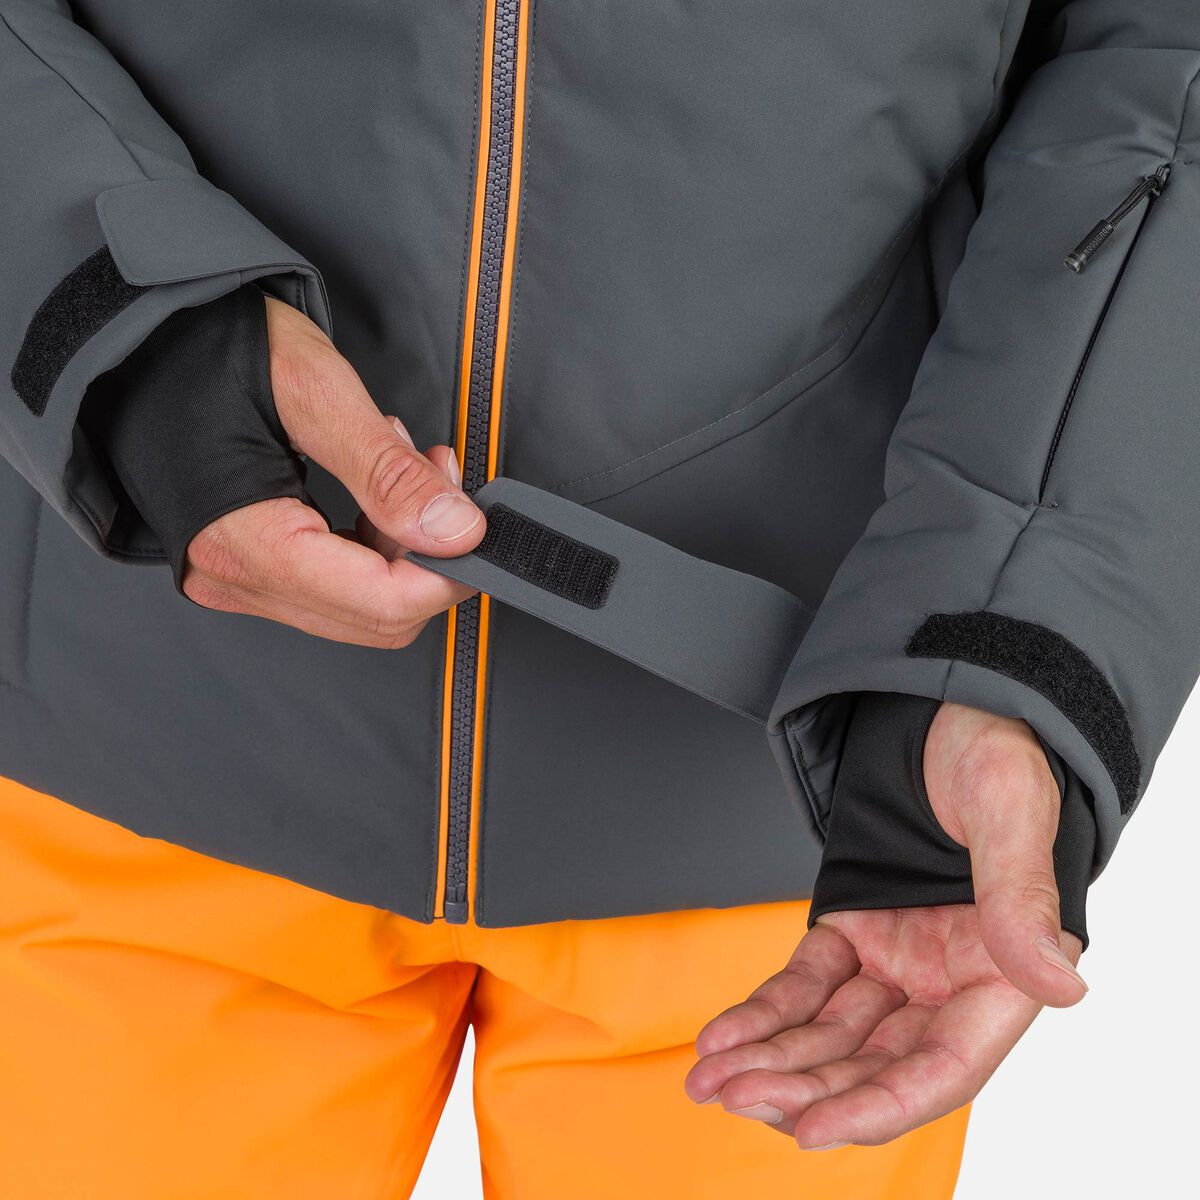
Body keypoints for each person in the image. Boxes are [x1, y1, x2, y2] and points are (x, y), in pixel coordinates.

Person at [0, 1, 1195, 1195]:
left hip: (806, 848)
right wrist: (110, 324)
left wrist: (1008, 631)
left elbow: (1161, 56)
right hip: (144, 752)